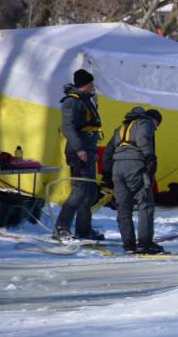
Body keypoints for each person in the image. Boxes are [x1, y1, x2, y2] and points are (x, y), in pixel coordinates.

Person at [101, 107, 164, 254]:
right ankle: (145, 243)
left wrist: (106, 173)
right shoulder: (145, 123)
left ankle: (128, 244)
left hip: (118, 168)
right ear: (154, 120)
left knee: (124, 207)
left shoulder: (121, 128)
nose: (155, 129)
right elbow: (143, 140)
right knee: (145, 205)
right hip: (135, 166)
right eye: (157, 126)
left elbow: (108, 151)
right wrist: (150, 157)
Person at [54, 69, 104, 241]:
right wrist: (80, 148)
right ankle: (61, 229)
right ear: (86, 84)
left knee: (89, 193)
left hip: (89, 151)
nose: (94, 87)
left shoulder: (86, 100)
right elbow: (68, 127)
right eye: (91, 84)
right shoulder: (72, 102)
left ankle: (84, 229)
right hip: (79, 152)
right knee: (79, 192)